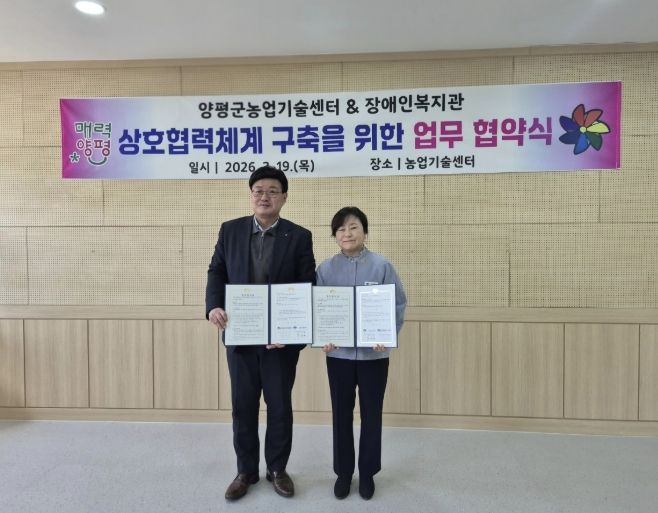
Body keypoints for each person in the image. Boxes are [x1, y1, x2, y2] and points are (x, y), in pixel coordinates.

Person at [206, 165, 316, 501]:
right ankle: (246, 471)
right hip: (241, 336)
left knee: (279, 406)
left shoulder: (299, 236)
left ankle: (277, 469)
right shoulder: (230, 230)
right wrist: (213, 306)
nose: (264, 196)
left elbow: (307, 284)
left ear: (284, 197)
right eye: (258, 191)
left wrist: (292, 330)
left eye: (272, 191)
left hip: (280, 342)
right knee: (243, 406)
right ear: (251, 195)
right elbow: (217, 271)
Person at [316, 206, 406, 501]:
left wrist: (386, 335)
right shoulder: (325, 269)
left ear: (365, 231)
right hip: (339, 357)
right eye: (341, 229)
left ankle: (367, 473)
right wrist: (322, 337)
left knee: (371, 414)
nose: (347, 233)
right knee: (341, 415)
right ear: (335, 235)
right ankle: (343, 473)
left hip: (373, 358)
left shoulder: (382, 266)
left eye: (353, 227)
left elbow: (398, 304)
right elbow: (318, 308)